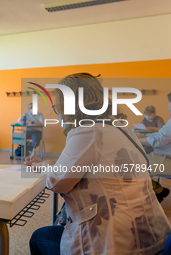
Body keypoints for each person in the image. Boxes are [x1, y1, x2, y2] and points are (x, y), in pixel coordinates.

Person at [26, 73, 170, 255]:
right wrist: (50, 162)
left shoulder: (87, 132)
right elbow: (93, 163)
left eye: (58, 108)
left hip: (115, 244)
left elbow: (56, 182)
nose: (59, 113)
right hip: (154, 237)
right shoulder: (121, 127)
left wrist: (46, 166)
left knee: (39, 238)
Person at [139, 92, 171, 202]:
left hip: (167, 159)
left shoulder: (159, 119)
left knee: (132, 165)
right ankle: (158, 190)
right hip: (162, 154)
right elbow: (162, 135)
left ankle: (158, 190)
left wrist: (137, 139)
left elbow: (159, 139)